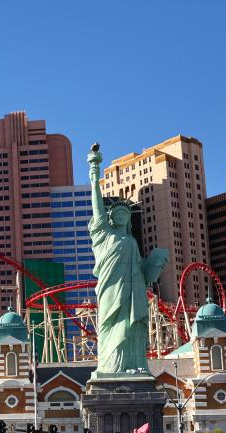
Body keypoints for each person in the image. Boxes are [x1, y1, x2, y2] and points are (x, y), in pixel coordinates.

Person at [87, 143, 168, 376]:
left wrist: (156, 262)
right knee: (113, 328)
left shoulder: (132, 242)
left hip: (134, 290)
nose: (121, 214)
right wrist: (94, 172)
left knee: (134, 327)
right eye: (117, 213)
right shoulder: (104, 234)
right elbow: (97, 208)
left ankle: (134, 365)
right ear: (111, 219)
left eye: (125, 213)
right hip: (112, 290)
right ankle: (112, 367)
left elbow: (143, 271)